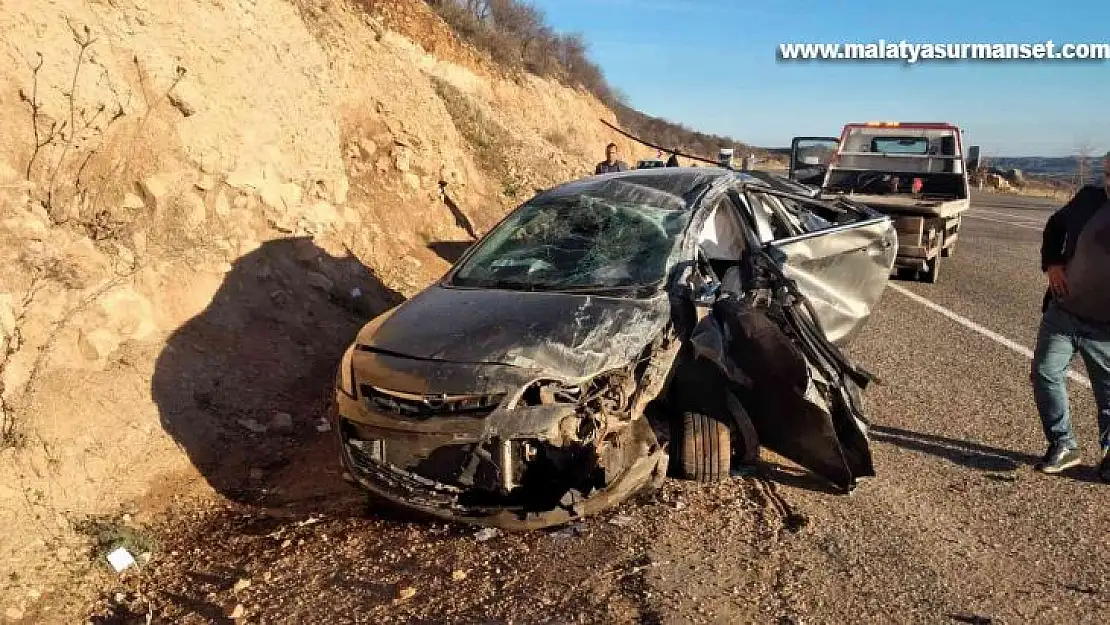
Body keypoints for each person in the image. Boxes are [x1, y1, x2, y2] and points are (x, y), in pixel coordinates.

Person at [1031, 153, 1110, 481]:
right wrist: (1052, 263)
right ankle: (1063, 445)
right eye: (1109, 172)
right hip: (1064, 310)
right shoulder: (1090, 199)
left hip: (1105, 328)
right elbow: (1055, 226)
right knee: (1045, 373)